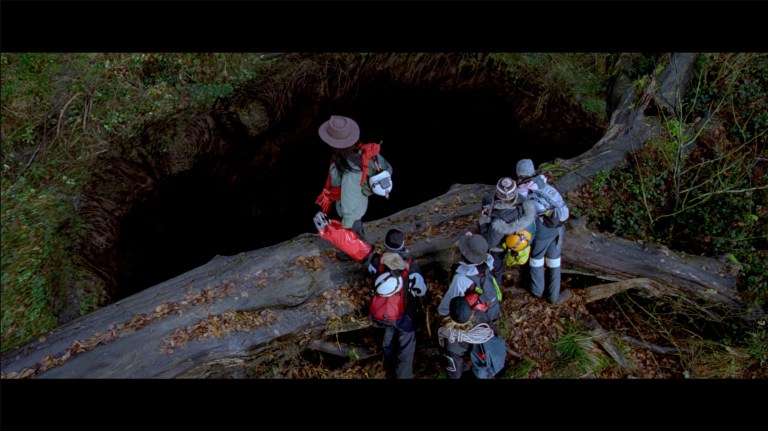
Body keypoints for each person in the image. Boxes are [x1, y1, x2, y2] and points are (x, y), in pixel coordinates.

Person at [316, 115, 393, 261]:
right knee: (357, 227)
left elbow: (349, 199)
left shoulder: (350, 172)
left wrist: (346, 221)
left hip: (354, 207)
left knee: (353, 229)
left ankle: (361, 253)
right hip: (359, 201)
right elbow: (389, 168)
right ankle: (361, 247)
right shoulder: (358, 151)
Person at [367, 231, 427, 378]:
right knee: (405, 352)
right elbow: (421, 291)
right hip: (403, 316)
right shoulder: (410, 266)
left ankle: (389, 364)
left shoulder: (376, 261)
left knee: (389, 336)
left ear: (385, 244)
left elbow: (371, 274)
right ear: (402, 245)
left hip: (382, 314)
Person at [515, 159, 572, 305]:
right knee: (554, 262)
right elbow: (563, 209)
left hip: (542, 232)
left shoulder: (523, 191)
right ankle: (553, 296)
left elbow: (519, 210)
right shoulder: (546, 186)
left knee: (536, 259)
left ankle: (537, 290)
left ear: (520, 174)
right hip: (558, 230)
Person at [479, 176, 537, 285]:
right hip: (518, 236)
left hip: (499, 246)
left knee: (495, 272)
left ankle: (495, 295)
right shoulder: (523, 201)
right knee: (487, 199)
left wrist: (483, 222)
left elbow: (489, 243)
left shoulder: (499, 222)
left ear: (497, 193)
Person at [438, 231, 502, 323]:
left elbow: (446, 307)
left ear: (464, 255)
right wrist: (473, 241)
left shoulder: (460, 279)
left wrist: (441, 313)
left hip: (475, 320)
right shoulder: (489, 263)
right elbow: (480, 251)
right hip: (492, 312)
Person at [437, 295, 496, 379]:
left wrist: (468, 364)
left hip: (474, 370)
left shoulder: (451, 343)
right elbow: (494, 333)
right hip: (490, 361)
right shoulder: (481, 317)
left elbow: (455, 375)